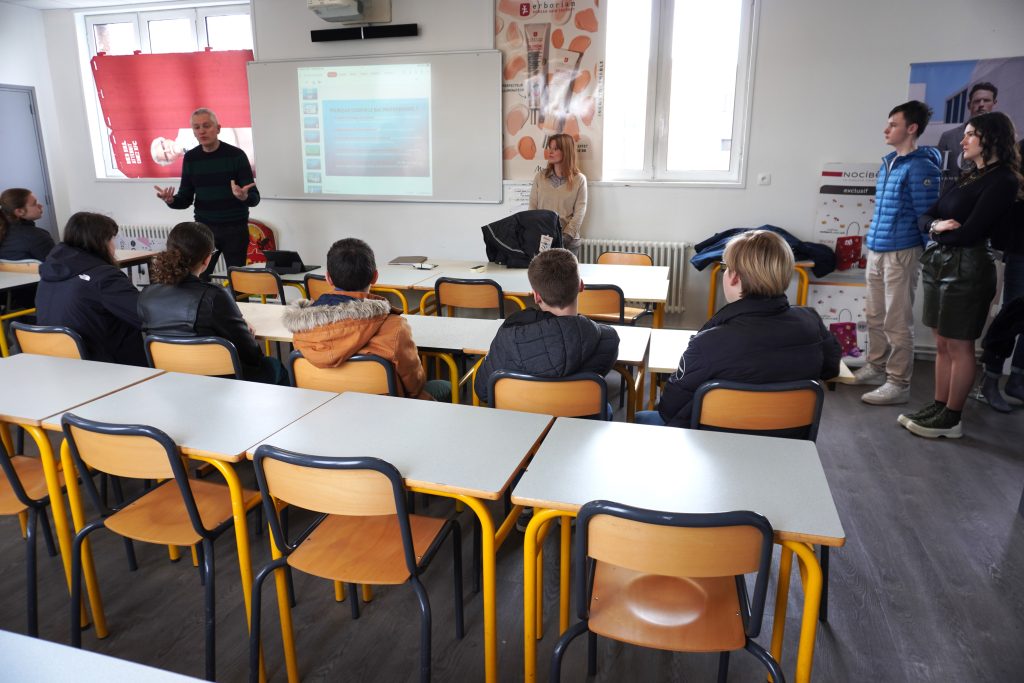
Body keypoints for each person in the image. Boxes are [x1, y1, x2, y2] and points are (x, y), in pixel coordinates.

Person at [635, 230, 840, 428]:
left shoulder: (708, 342)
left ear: (734, 277)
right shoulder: (811, 320)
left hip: (711, 445)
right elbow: (831, 369)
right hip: (787, 442)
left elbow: (669, 409)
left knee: (643, 417)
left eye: (725, 268)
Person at [902, 112, 1022, 438]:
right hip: (941, 263)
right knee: (942, 342)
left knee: (960, 345)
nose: (963, 140)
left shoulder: (1003, 180)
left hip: (969, 267)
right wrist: (937, 226)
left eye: (970, 134)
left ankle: (952, 417)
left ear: (991, 138)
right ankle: (939, 405)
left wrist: (935, 231)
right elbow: (926, 215)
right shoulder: (969, 174)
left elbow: (971, 234)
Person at [852, 100, 941, 406]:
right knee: (874, 315)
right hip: (877, 249)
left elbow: (926, 216)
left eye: (893, 124)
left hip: (902, 252)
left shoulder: (922, 167)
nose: (886, 129)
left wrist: (923, 252)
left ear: (911, 128)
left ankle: (898, 383)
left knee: (897, 321)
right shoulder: (889, 162)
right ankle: (876, 368)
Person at [282, 237, 447, 400]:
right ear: (375, 277)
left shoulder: (302, 328)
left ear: (328, 278)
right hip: (388, 414)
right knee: (443, 386)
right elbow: (414, 386)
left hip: (324, 413)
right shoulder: (395, 327)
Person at [137, 221, 288, 385]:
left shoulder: (147, 295)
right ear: (207, 259)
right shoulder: (213, 296)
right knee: (274, 366)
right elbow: (251, 354)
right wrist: (247, 333)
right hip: (224, 382)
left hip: (173, 380)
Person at [474, 247, 619, 405]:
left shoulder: (509, 336)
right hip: (579, 424)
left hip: (519, 423)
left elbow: (483, 390)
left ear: (536, 296)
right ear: (581, 286)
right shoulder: (608, 342)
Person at [35, 212, 145, 365]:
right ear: (101, 242)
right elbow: (144, 316)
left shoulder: (49, 273)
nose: (114, 245)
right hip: (107, 364)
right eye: (112, 239)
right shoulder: (104, 277)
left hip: (58, 361)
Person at [154, 108, 259, 269]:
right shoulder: (190, 158)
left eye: (207, 126)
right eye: (197, 128)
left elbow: (254, 198)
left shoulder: (236, 155)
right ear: (193, 132)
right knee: (199, 278)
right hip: (204, 231)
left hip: (235, 229)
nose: (202, 131)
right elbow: (185, 199)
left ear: (218, 128)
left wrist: (244, 197)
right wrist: (171, 200)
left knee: (238, 280)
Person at [979, 139, 1024, 412]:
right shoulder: (1019, 157)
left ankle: (1017, 379)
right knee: (1011, 316)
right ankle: (990, 381)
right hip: (1020, 250)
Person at [528, 133, 587, 257]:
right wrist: (536, 234)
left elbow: (579, 213)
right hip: (543, 241)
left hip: (569, 242)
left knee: (566, 276)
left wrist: (564, 238)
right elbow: (532, 209)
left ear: (566, 151)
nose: (550, 152)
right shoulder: (540, 177)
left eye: (555, 149)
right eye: (549, 148)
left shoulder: (579, 180)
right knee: (543, 276)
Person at [936, 82, 998, 191]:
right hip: (954, 201)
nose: (981, 104)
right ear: (969, 105)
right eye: (977, 101)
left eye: (986, 100)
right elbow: (939, 175)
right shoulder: (948, 137)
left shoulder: (1001, 138)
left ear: (994, 103)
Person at [0, 188, 55, 262]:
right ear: (19, 211)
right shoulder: (38, 236)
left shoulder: (4, 232)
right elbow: (57, 267)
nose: (41, 205)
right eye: (34, 204)